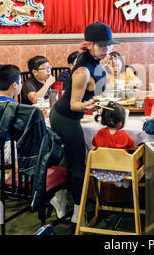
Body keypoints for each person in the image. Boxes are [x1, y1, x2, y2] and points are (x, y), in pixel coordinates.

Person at [50, 22, 118, 224]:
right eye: (102, 46)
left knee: (67, 159)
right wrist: (89, 104)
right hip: (65, 117)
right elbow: (73, 104)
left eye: (109, 45)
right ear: (90, 45)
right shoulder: (82, 71)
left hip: (70, 115)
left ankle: (58, 199)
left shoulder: (92, 59)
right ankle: (78, 214)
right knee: (78, 164)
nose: (106, 50)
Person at [0, 65, 22, 190]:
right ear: (14, 85)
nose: (21, 85)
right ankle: (8, 184)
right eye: (21, 82)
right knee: (27, 155)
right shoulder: (8, 104)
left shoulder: (0, 98)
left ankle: (12, 181)